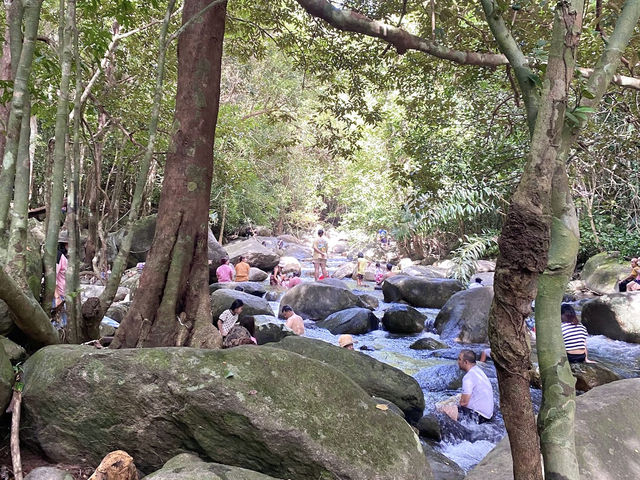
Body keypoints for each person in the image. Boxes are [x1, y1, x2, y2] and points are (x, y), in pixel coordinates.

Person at [440, 350, 493, 423]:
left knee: (442, 409)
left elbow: (464, 403)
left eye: (459, 359)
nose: (458, 362)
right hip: (488, 415)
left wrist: (451, 406)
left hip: (478, 416)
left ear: (466, 362)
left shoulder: (468, 377)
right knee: (456, 399)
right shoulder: (478, 371)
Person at [53, 231, 69, 327]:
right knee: (59, 324)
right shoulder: (58, 256)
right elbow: (53, 277)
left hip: (64, 295)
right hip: (58, 296)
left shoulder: (64, 256)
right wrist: (57, 297)